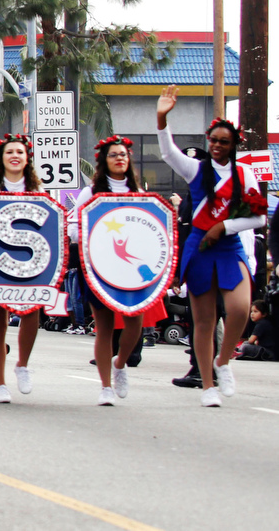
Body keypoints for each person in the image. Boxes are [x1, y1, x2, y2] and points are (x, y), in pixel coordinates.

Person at [155, 87, 264, 407]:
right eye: (213, 140)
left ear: (234, 145)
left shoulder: (245, 174)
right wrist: (162, 118)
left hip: (228, 247)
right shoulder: (196, 169)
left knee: (240, 309)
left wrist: (224, 226)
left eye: (223, 142)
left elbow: (258, 219)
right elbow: (168, 153)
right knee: (202, 321)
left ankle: (224, 362)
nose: (216, 146)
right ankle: (207, 386)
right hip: (200, 247)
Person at [68, 135, 156, 405]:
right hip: (98, 269)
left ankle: (120, 364)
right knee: (104, 327)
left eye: (123, 154)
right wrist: (87, 239)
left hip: (130, 270)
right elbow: (73, 228)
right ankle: (105, 386)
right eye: (113, 154)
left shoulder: (138, 194)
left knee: (135, 323)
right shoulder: (90, 192)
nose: (120, 158)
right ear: (103, 161)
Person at [0, 135, 47, 404]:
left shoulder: (38, 189)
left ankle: (22, 364)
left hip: (30, 264)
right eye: (9, 152)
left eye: (20, 151)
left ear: (27, 158)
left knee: (31, 314)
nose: (15, 155)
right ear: (1, 158)